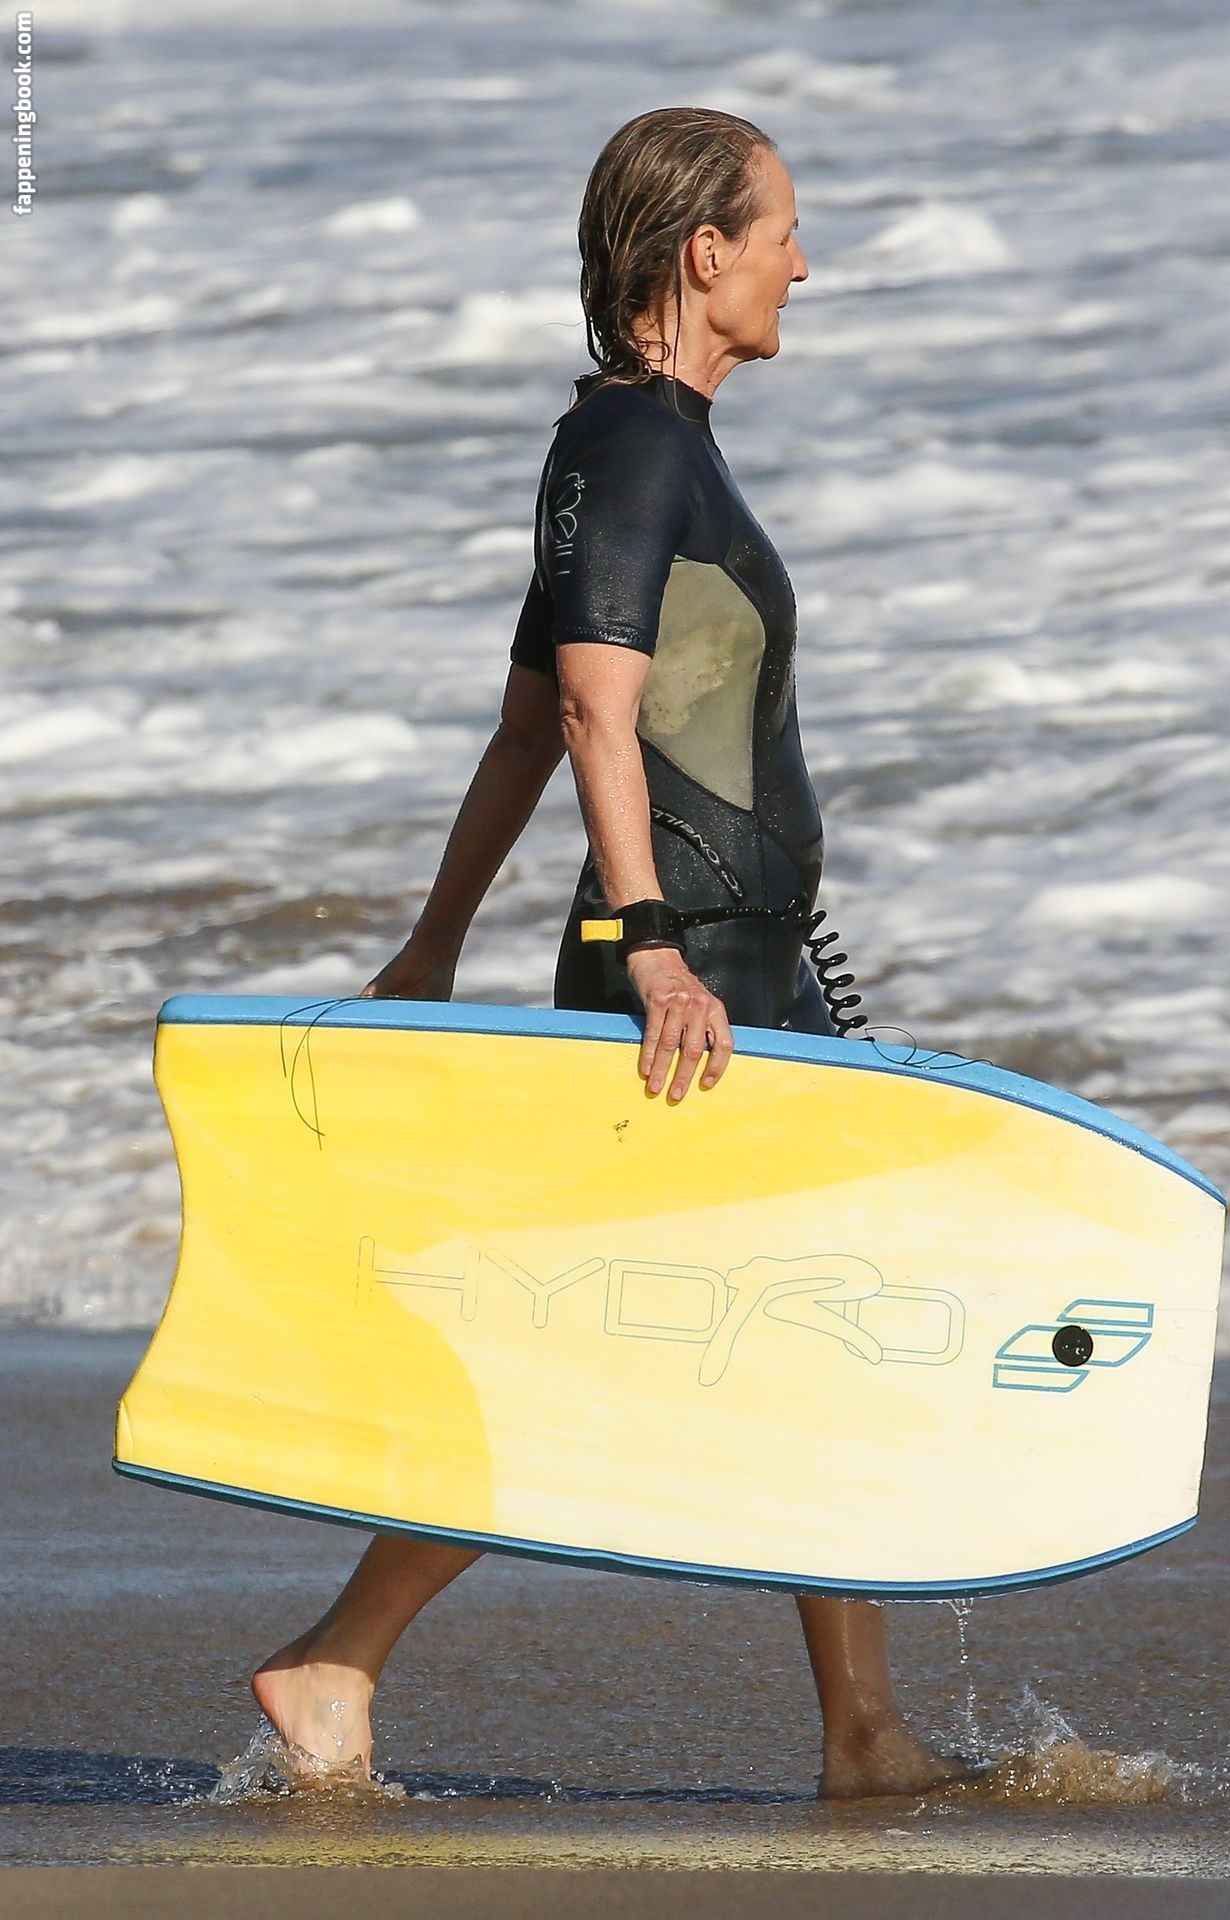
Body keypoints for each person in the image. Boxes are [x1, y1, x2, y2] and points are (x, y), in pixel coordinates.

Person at [252, 107, 971, 1800]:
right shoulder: (636, 449)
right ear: (705, 255)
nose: (806, 263)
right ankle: (335, 1661)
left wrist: (434, 945)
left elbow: (524, 730)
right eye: (784, 230)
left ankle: (864, 1728)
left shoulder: (638, 451)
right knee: (585, 1344)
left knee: (816, 1332)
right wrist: (649, 946)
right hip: (688, 976)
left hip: (743, 967)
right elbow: (590, 711)